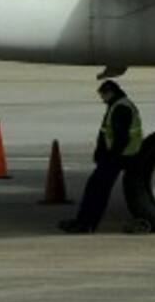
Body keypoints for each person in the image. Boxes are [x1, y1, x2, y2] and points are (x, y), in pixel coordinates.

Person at [59, 79, 144, 233]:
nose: (102, 99)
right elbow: (107, 133)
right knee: (96, 188)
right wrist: (100, 152)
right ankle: (84, 222)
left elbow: (121, 138)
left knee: (97, 190)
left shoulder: (121, 108)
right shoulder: (117, 105)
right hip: (116, 156)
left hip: (118, 157)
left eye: (103, 96)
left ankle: (86, 224)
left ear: (110, 92)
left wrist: (108, 157)